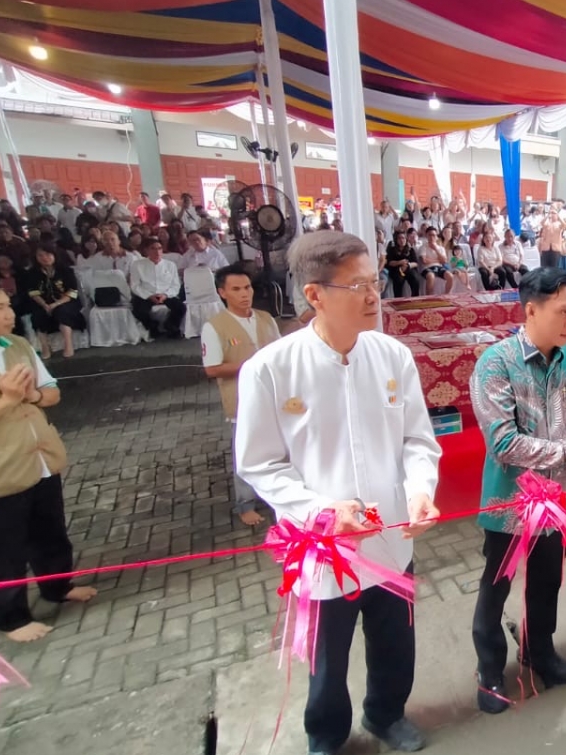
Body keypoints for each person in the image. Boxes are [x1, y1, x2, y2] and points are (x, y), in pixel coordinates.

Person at [236, 232, 441, 754]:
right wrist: (321, 510)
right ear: (315, 295)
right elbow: (259, 464)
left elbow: (418, 439)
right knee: (327, 655)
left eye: (375, 283)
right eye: (358, 286)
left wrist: (420, 491)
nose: (374, 296)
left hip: (393, 536)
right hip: (325, 549)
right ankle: (326, 734)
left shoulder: (392, 356)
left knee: (396, 641)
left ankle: (386, 715)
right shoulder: (270, 370)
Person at [468, 267, 566, 714]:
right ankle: (489, 666)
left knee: (548, 581)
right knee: (497, 584)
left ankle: (539, 649)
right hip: (509, 503)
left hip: (558, 502)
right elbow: (505, 444)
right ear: (530, 310)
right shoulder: (495, 362)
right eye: (563, 312)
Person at [0, 278, 96, 642]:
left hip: (37, 459)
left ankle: (57, 587)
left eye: (8, 305)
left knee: (49, 533)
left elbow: (51, 393)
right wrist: (6, 401)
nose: (9, 314)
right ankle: (11, 619)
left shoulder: (15, 345)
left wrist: (32, 396)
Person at [201, 263, 280, 527]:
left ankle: (278, 497)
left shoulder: (265, 319)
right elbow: (212, 368)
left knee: (279, 449)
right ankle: (245, 503)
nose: (245, 294)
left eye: (247, 287)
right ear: (222, 293)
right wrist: (253, 365)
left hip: (276, 397)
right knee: (246, 453)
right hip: (241, 401)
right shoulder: (215, 327)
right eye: (236, 289)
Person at [24, 248, 86, 359]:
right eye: (40, 255)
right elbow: (33, 292)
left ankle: (68, 345)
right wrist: (44, 304)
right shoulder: (32, 273)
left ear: (54, 255)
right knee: (38, 314)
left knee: (62, 311)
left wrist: (56, 304)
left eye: (48, 254)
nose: (44, 258)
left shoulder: (66, 270)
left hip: (66, 301)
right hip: (43, 302)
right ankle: (45, 347)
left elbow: (72, 292)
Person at [129, 238, 185, 339]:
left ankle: (171, 326)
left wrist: (165, 295)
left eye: (159, 248)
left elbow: (176, 285)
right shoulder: (138, 265)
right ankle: (152, 326)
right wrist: (149, 296)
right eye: (153, 248)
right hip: (146, 295)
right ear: (147, 250)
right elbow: (135, 285)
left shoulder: (170, 265)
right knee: (139, 310)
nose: (157, 252)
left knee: (181, 308)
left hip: (165, 295)